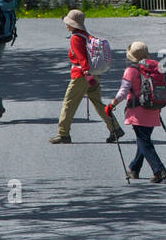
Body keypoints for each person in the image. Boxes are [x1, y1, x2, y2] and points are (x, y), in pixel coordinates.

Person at [50, 10, 124, 144]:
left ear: (73, 25)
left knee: (69, 103)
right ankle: (115, 128)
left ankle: (63, 134)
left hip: (81, 76)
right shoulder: (85, 35)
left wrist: (86, 72)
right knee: (97, 102)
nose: (66, 25)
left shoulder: (75, 38)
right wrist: (91, 74)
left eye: (68, 23)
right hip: (93, 75)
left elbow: (81, 58)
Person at [107, 42, 166, 183]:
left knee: (144, 141)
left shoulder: (131, 71)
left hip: (138, 111)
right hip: (153, 108)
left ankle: (159, 169)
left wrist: (112, 104)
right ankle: (134, 169)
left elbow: (123, 92)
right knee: (143, 140)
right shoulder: (155, 68)